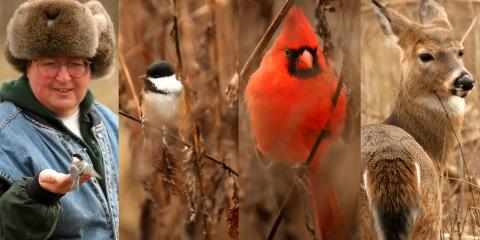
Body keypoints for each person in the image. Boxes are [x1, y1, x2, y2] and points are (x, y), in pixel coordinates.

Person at [0, 0, 118, 239]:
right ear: (27, 65)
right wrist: (37, 196)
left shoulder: (111, 122)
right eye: (49, 64)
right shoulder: (4, 134)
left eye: (76, 64)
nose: (64, 78)